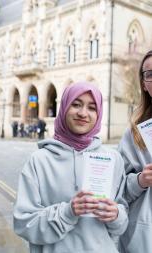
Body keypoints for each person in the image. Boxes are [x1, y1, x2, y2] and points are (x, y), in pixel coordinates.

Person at [13, 81, 128, 253]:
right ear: (64, 107)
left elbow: (122, 222)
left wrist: (116, 216)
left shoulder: (113, 159)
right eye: (76, 104)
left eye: (92, 107)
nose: (83, 113)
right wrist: (68, 212)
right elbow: (24, 223)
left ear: (99, 114)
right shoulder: (39, 161)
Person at [118, 50, 152, 253]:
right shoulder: (134, 133)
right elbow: (117, 190)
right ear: (145, 85)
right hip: (143, 239)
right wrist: (141, 180)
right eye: (149, 74)